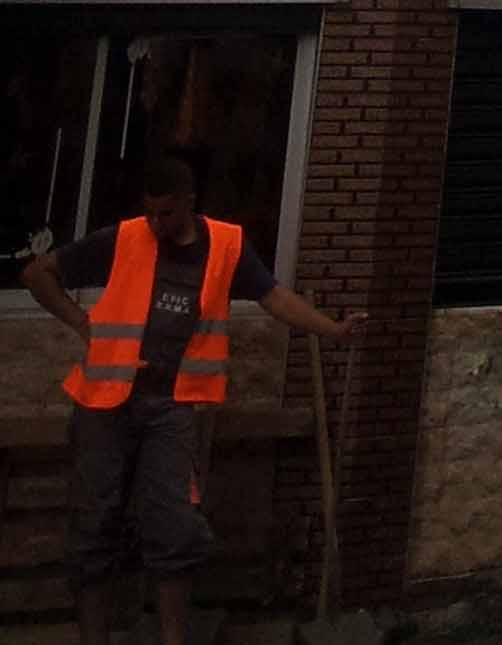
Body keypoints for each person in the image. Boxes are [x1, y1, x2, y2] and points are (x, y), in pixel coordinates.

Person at [22, 151, 364, 645]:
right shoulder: (122, 238)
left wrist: (332, 330)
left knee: (173, 525)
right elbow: (37, 275)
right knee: (94, 524)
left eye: (167, 213)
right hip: (104, 403)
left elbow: (273, 297)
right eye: (150, 212)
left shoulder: (226, 245)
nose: (156, 223)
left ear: (189, 203)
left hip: (172, 406)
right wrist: (82, 324)